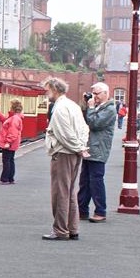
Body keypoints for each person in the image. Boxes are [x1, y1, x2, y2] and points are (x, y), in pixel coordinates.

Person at [41, 77, 90, 241]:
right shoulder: (74, 106)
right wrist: (81, 146)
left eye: (47, 90)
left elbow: (64, 133)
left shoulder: (60, 108)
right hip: (74, 153)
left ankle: (60, 230)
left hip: (63, 154)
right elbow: (85, 129)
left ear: (55, 89)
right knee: (70, 192)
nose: (46, 93)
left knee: (60, 193)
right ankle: (72, 228)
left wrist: (78, 147)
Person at [78, 82, 117, 223]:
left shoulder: (110, 109)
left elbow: (94, 123)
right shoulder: (97, 107)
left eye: (97, 94)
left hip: (99, 150)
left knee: (96, 182)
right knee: (84, 182)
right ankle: (82, 210)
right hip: (89, 148)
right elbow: (84, 120)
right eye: (92, 94)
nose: (94, 97)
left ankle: (100, 211)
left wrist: (91, 107)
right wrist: (86, 105)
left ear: (106, 93)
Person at [0, 99, 24, 185]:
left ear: (13, 107)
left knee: (6, 160)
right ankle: (10, 178)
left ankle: (5, 179)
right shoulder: (15, 117)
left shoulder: (14, 118)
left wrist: (8, 142)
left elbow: (13, 132)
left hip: (10, 143)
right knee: (10, 160)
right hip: (13, 143)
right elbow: (6, 121)